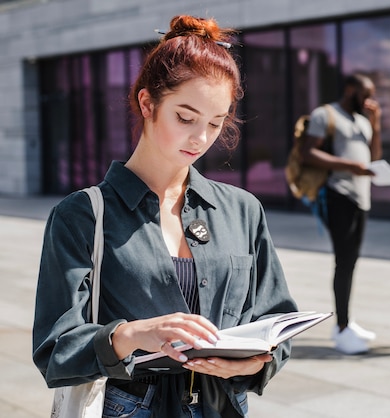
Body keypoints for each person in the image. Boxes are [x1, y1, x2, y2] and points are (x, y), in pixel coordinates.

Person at [32, 15, 298, 418]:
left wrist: (255, 364)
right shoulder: (82, 215)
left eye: (215, 122)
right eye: (186, 118)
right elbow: (55, 349)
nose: (201, 138)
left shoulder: (242, 209)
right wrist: (135, 334)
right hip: (130, 405)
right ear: (147, 103)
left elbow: (278, 321)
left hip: (224, 404)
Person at [300, 74, 382, 355]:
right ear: (350, 90)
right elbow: (307, 153)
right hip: (339, 196)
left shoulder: (362, 120)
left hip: (361, 199)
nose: (369, 100)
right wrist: (349, 166)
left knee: (352, 262)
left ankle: (347, 321)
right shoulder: (326, 114)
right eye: (365, 93)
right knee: (344, 262)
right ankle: (342, 329)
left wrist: (377, 125)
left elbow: (374, 158)